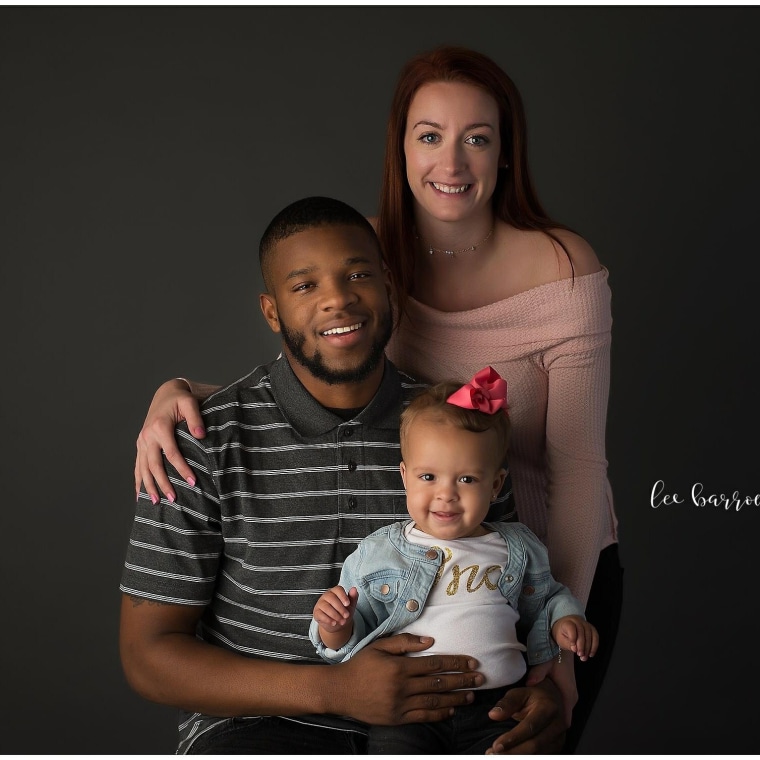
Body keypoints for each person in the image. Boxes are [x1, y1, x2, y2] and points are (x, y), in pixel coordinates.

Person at [134, 45, 622, 752]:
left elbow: (578, 467)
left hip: (545, 567)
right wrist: (181, 396)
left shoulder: (563, 267)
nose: (451, 164)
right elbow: (320, 367)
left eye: (476, 139)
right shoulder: (369, 252)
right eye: (429, 136)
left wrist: (556, 660)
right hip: (418, 558)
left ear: (506, 153)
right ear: (401, 147)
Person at [121, 195, 567, 755]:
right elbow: (149, 654)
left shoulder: (452, 430)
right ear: (271, 311)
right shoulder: (199, 441)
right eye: (305, 285)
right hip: (254, 729)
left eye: (357, 274)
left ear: (388, 289)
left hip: (439, 723)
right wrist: (336, 689)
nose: (337, 298)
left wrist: (542, 691)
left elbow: (509, 588)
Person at [310, 369, 599, 754]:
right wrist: (334, 626)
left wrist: (566, 621)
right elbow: (354, 634)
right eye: (428, 476)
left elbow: (546, 599)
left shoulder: (515, 547)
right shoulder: (381, 552)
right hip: (409, 713)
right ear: (405, 477)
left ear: (495, 485)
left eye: (466, 480)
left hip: (497, 706)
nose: (446, 496)